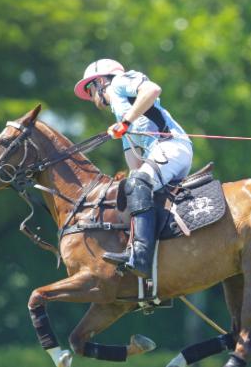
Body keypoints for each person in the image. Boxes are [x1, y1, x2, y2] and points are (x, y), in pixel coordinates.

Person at [74, 58, 193, 279]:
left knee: (138, 182)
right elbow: (134, 165)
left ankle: (140, 257)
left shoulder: (119, 82)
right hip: (164, 155)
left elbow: (152, 89)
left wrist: (126, 122)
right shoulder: (121, 113)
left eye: (90, 89)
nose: (91, 97)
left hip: (171, 147)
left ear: (101, 82)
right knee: (132, 186)